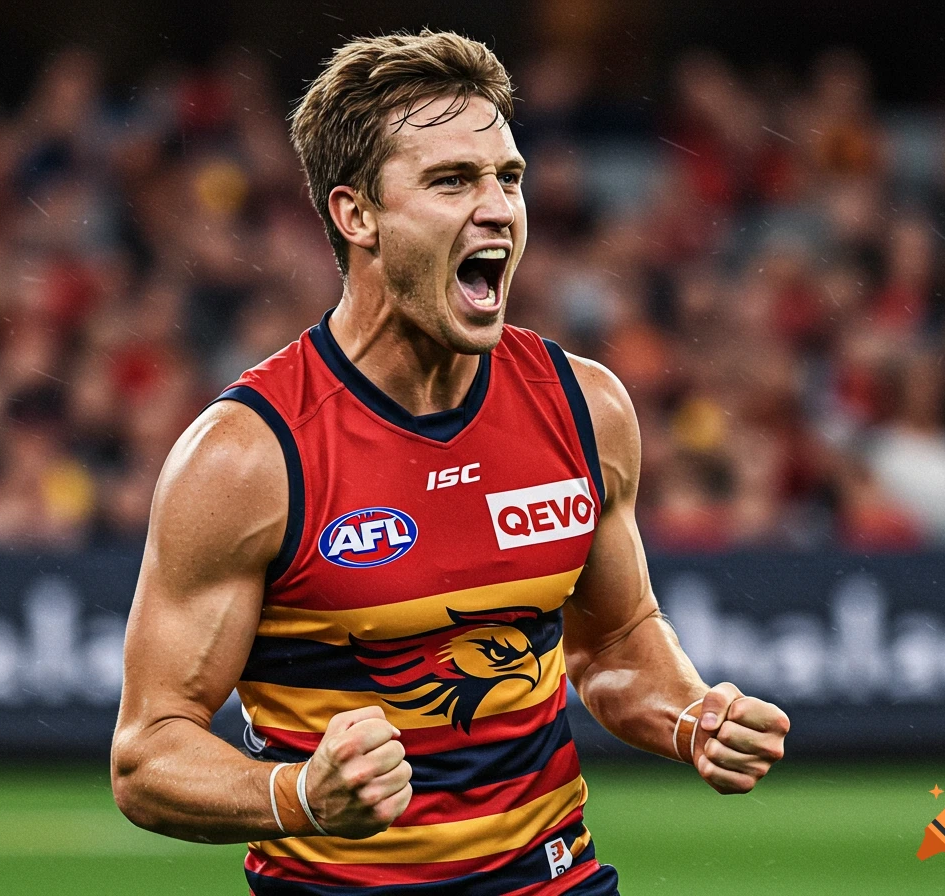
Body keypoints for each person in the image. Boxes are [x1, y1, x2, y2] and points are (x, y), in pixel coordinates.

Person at [111, 30, 790, 895]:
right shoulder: (247, 456)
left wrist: (693, 717)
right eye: (452, 181)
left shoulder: (586, 409)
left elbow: (616, 643)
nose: (499, 208)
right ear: (356, 215)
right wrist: (300, 795)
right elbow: (147, 755)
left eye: (508, 177)